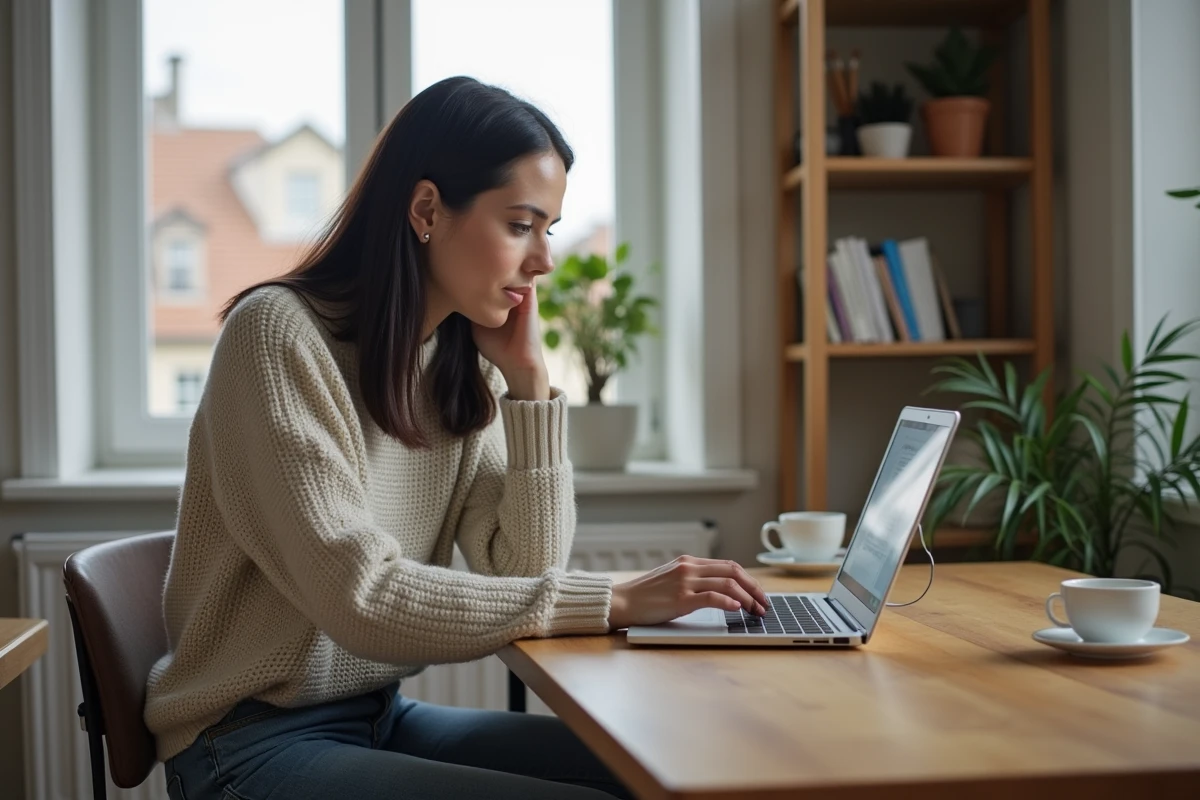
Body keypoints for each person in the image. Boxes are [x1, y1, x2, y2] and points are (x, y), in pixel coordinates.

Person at [146, 76, 769, 800]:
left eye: (550, 230)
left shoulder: (457, 363)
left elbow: (520, 570)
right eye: (520, 225)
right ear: (427, 210)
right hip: (244, 745)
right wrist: (614, 599)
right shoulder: (276, 337)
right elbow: (361, 598)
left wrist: (530, 385)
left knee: (668, 770)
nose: (544, 262)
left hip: (377, 718)